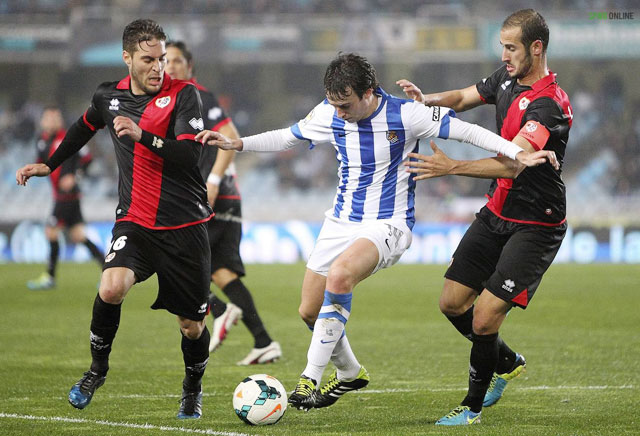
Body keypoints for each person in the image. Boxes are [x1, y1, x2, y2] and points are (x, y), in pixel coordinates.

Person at [197, 52, 557, 412]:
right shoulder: (329, 112)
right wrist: (238, 143)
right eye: (334, 104)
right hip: (340, 222)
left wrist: (517, 153)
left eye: (345, 105)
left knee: (340, 277)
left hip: (389, 223)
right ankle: (350, 372)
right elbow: (289, 136)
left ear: (369, 92)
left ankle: (309, 377)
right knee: (309, 310)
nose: (339, 112)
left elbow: (469, 131)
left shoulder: (406, 114)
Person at [16, 19, 213, 419]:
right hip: (135, 221)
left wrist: (143, 136)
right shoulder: (108, 97)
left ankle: (192, 388)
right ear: (127, 58)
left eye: (162, 59)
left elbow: (189, 155)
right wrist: (50, 165)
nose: (159, 68)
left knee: (191, 326)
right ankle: (96, 370)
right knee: (111, 287)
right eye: (148, 60)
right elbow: (82, 128)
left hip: (185, 226)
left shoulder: (184, 96)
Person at [398, 9, 572, 425]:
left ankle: (471, 408)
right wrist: (426, 101)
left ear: (537, 48)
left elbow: (515, 163)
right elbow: (460, 98)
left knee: (485, 313)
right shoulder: (507, 79)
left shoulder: (549, 105)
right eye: (502, 48)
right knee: (452, 302)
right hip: (497, 211)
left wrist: (453, 167)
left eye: (511, 48)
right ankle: (506, 361)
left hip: (536, 224)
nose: (505, 56)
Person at [165, 41, 281, 365]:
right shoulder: (172, 101)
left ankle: (219, 310)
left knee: (170, 256)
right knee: (220, 271)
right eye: (166, 61)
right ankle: (263, 341)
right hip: (219, 195)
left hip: (213, 194)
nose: (170, 66)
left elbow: (229, 135)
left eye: (176, 61)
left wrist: (212, 180)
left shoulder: (197, 95)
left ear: (190, 67)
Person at [26, 106, 104, 290]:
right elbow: (41, 164)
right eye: (48, 117)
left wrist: (75, 176)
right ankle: (108, 270)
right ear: (42, 121)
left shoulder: (70, 137)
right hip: (59, 194)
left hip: (67, 195)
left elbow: (88, 160)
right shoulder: (41, 141)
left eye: (55, 117)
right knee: (78, 236)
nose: (52, 121)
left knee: (51, 232)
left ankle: (50, 277)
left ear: (60, 120)